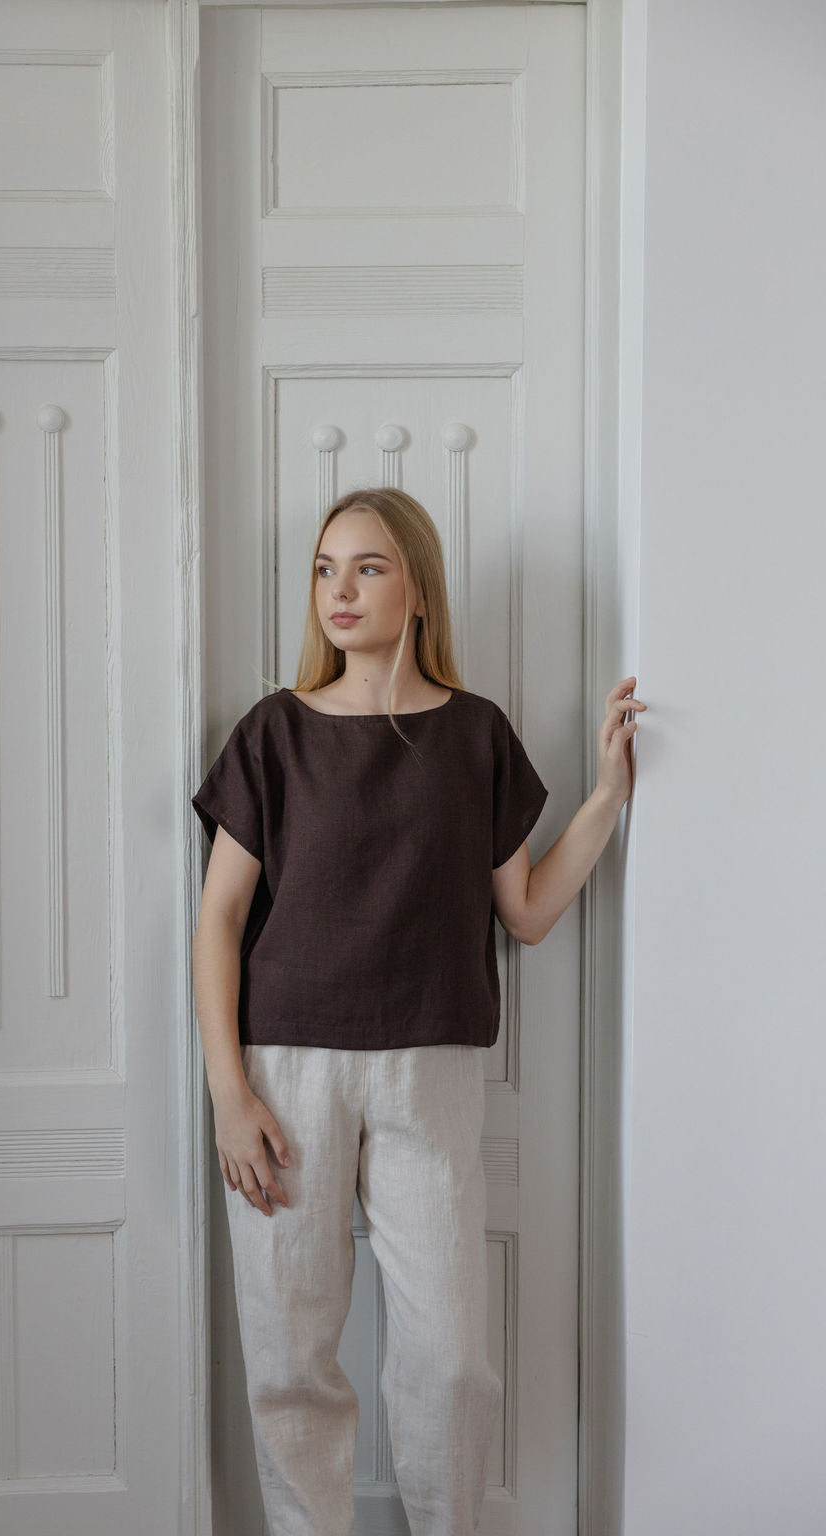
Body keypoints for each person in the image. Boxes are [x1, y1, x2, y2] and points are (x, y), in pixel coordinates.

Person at [190, 486, 645, 1536]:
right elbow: (218, 921)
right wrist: (227, 1093)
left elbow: (525, 912)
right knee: (291, 1355)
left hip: (427, 1073)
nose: (338, 592)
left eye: (366, 567)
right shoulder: (274, 735)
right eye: (322, 570)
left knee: (450, 1363)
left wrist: (607, 797)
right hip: (284, 1071)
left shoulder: (475, 735)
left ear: (418, 589)